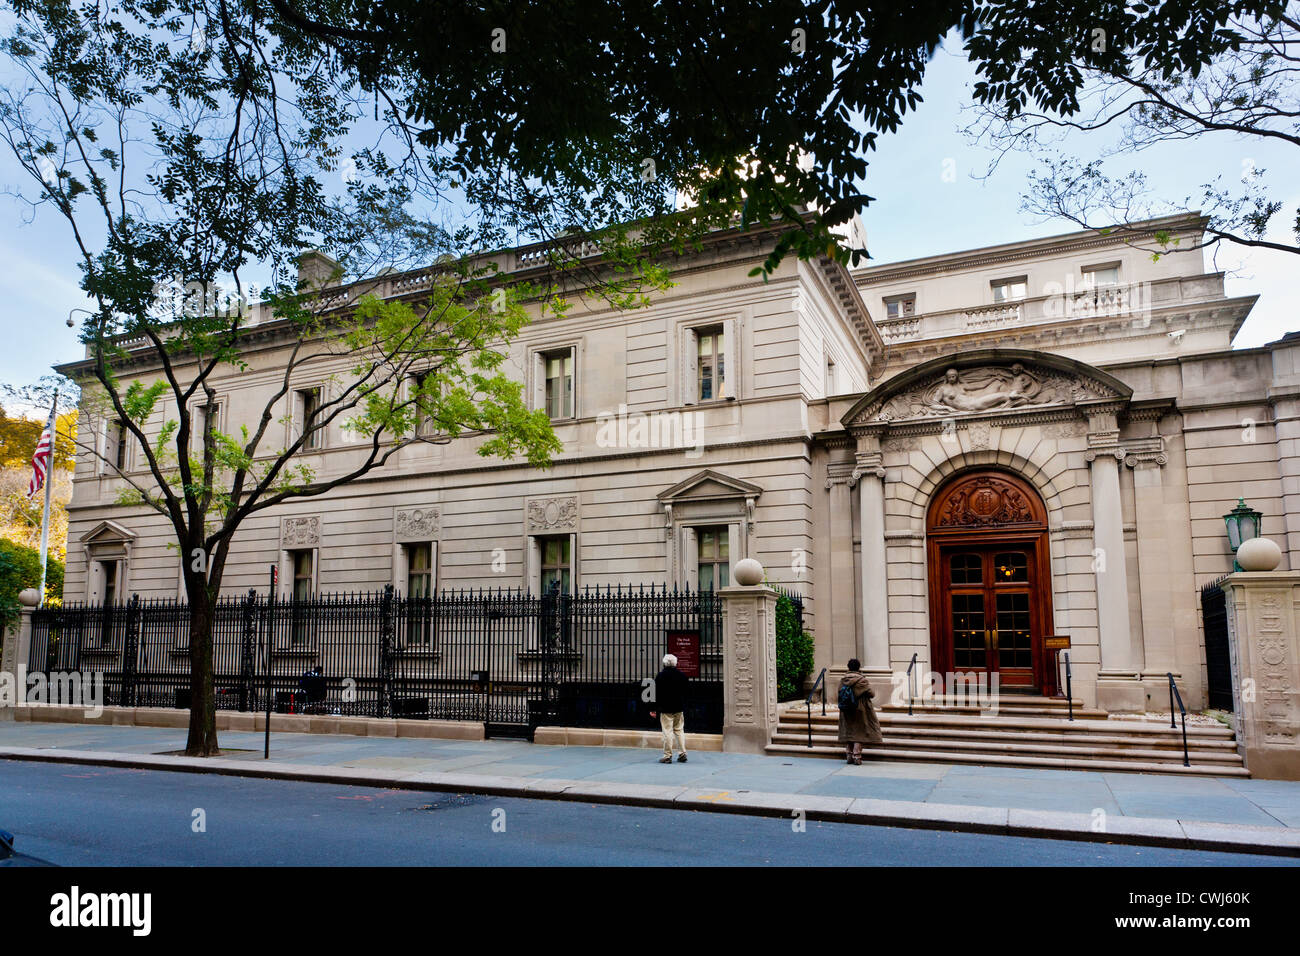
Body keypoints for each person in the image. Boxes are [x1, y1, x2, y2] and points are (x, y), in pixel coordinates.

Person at [837, 659, 882, 765]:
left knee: (849, 730)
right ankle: (857, 756)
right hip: (860, 708)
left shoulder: (843, 680)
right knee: (859, 731)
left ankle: (848, 754)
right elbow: (872, 694)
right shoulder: (862, 680)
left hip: (846, 708)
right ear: (858, 667)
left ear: (848, 667)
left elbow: (839, 693)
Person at [650, 653, 689, 764]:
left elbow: (655, 694)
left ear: (664, 663)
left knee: (667, 731)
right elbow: (686, 692)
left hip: (665, 708)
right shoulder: (682, 675)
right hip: (679, 707)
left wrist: (654, 709)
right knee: (679, 730)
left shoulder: (660, 676)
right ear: (675, 663)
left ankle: (667, 756)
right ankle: (682, 753)